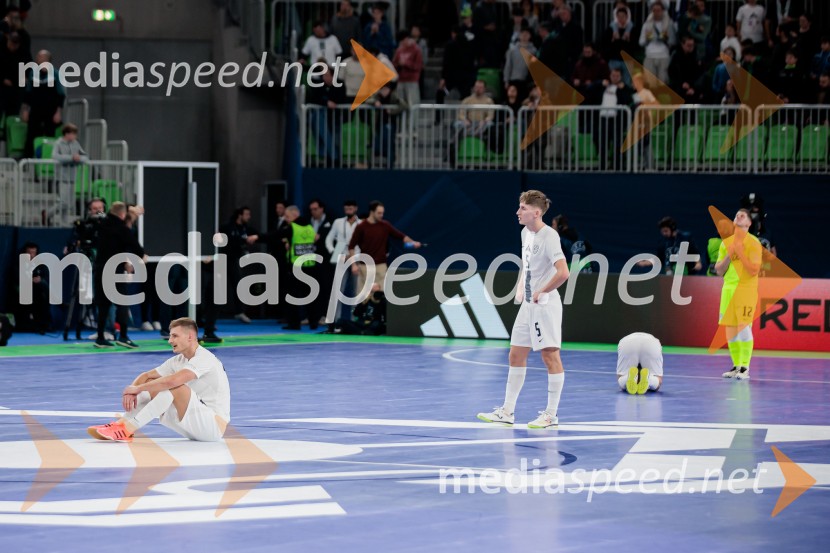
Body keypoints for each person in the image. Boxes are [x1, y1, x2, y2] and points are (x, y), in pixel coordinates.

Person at [477, 190, 569, 429]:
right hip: (527, 306)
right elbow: (527, 265)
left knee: (550, 356)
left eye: (523, 209)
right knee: (515, 355)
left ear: (536, 213)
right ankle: (507, 411)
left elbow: (563, 272)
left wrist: (543, 291)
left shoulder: (550, 236)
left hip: (545, 307)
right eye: (519, 207)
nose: (518, 212)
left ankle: (551, 414)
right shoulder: (524, 234)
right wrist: (521, 288)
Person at [87, 317, 230, 442]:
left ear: (190, 337)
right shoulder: (177, 360)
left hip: (213, 427)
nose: (170, 340)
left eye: (175, 336)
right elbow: (146, 376)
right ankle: (122, 424)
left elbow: (173, 381)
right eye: (170, 336)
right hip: (193, 423)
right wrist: (132, 392)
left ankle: (128, 429)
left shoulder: (205, 358)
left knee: (174, 387)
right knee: (153, 385)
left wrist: (137, 389)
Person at [716, 209, 762, 380]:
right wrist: (730, 253)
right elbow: (719, 270)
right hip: (728, 289)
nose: (738, 217)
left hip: (746, 290)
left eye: (742, 215)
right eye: (736, 215)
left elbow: (754, 270)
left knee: (743, 327)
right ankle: (736, 366)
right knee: (731, 330)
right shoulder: (725, 243)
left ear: (749, 223)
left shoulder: (754, 242)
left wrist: (740, 252)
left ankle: (745, 367)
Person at [94, 201, 146, 349]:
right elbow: (138, 250)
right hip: (115, 270)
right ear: (123, 215)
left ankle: (100, 337)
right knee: (122, 302)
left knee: (103, 304)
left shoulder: (102, 224)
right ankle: (123, 336)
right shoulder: (122, 229)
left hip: (100, 268)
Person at [347, 200, 420, 294]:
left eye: (382, 213)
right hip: (365, 266)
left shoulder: (385, 225)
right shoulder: (361, 227)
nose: (381, 215)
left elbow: (401, 236)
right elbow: (351, 246)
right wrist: (353, 265)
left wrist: (413, 242)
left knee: (380, 296)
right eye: (379, 213)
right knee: (362, 297)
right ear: (372, 212)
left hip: (381, 266)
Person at [219, 206, 259, 324]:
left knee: (238, 285)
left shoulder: (246, 228)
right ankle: (211, 315)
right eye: (247, 214)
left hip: (234, 260)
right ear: (240, 215)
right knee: (216, 287)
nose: (249, 217)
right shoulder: (227, 227)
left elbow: (258, 235)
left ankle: (239, 312)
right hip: (222, 259)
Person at [325, 199, 361, 321]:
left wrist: (356, 257)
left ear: (356, 209)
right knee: (337, 291)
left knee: (357, 291)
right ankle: (335, 321)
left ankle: (355, 320)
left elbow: (363, 243)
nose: (348, 211)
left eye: (351, 208)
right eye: (346, 209)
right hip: (341, 257)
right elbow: (328, 239)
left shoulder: (361, 223)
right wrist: (334, 252)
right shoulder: (338, 222)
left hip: (356, 259)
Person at [52, 123, 89, 226]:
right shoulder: (58, 143)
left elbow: (85, 156)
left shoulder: (76, 143)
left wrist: (79, 158)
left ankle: (63, 222)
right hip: (62, 177)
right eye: (73, 134)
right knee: (63, 202)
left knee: (68, 203)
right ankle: (48, 214)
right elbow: (55, 156)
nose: (75, 137)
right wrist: (71, 158)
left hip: (72, 177)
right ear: (67, 134)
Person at [639, 2, 675, 85]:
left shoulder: (669, 23)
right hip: (650, 56)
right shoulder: (646, 24)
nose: (656, 12)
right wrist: (647, 39)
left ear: (663, 11)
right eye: (654, 10)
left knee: (663, 83)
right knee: (650, 84)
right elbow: (641, 42)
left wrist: (666, 39)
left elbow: (673, 42)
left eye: (658, 10)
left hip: (663, 56)